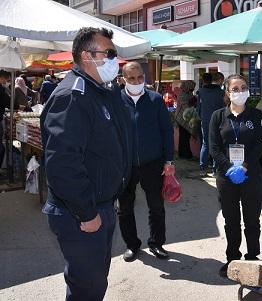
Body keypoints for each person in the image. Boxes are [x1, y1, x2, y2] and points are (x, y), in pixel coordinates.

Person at [40, 27, 132, 301]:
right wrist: (86, 212)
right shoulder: (72, 96)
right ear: (87, 56)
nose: (116, 60)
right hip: (81, 212)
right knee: (86, 289)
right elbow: (62, 165)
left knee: (94, 282)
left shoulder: (101, 92)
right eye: (110, 54)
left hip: (101, 205)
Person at [117, 62, 175, 262]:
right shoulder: (115, 100)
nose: (136, 81)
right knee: (125, 208)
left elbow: (167, 130)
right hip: (124, 165)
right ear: (123, 79)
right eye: (131, 78)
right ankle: (132, 244)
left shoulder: (155, 99)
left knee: (156, 207)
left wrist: (169, 160)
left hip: (153, 163)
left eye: (140, 77)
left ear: (144, 76)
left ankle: (157, 242)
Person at [209, 74, 262, 277]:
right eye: (235, 88)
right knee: (231, 220)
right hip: (226, 177)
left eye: (243, 87)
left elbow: (259, 144)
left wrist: (244, 167)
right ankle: (232, 257)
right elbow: (214, 147)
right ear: (227, 92)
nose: (240, 91)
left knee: (252, 219)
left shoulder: (257, 114)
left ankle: (252, 256)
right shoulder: (218, 116)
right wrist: (228, 168)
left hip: (251, 175)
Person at [198, 72, 225, 176]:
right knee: (217, 144)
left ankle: (202, 169)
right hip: (218, 120)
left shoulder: (200, 92)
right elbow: (224, 106)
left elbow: (198, 109)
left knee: (205, 144)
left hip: (205, 120)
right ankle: (215, 169)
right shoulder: (220, 92)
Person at [175, 80, 197, 159]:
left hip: (186, 117)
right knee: (184, 137)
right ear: (188, 87)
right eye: (191, 89)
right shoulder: (182, 95)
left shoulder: (188, 94)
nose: (192, 90)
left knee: (185, 137)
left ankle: (184, 154)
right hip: (182, 118)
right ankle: (185, 154)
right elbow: (186, 107)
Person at [0, 70, 10, 167]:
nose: (6, 82)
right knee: (1, 148)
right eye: (6, 80)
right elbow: (8, 102)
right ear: (2, 78)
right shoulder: (1, 90)